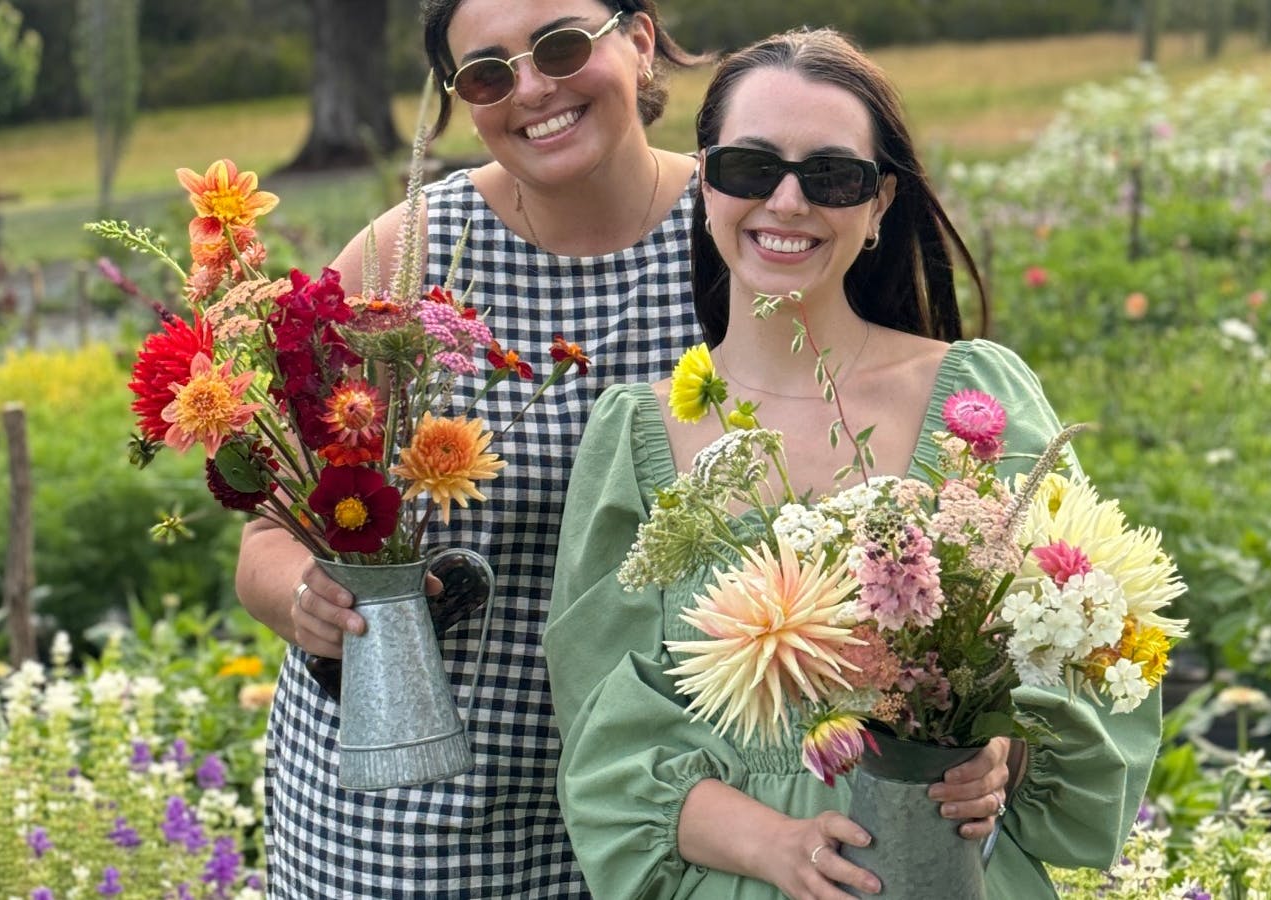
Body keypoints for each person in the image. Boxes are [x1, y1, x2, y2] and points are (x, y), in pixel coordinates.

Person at [236, 3, 1008, 895]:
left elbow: (882, 437)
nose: (532, 88)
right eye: (486, 73)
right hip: (419, 811)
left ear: (639, 41)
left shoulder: (753, 216)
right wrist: (308, 599)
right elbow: (269, 534)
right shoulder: (405, 261)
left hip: (687, 811)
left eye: (561, 46)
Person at [546, 28, 1160, 900]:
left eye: (832, 177)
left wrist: (999, 756)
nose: (787, 203)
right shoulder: (636, 440)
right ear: (707, 181)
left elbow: (1083, 647)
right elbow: (610, 747)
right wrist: (777, 846)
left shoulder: (973, 398)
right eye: (752, 168)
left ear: (879, 206)